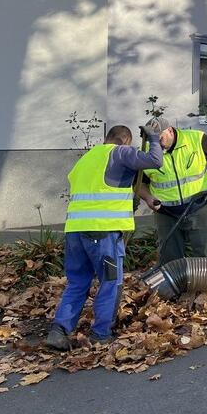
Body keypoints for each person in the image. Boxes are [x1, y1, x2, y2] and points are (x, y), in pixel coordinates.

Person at [45, 125, 163, 350]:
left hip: (75, 231)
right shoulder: (120, 152)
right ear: (125, 140)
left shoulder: (87, 158)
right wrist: (154, 138)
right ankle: (101, 334)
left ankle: (58, 331)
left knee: (77, 282)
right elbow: (155, 161)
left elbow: (102, 185)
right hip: (103, 232)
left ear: (106, 138)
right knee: (111, 282)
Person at [135, 117, 207, 265]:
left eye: (159, 138)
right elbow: (139, 182)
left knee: (205, 251)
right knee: (169, 256)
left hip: (198, 206)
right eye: (151, 140)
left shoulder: (195, 138)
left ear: (170, 130)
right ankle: (175, 286)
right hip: (165, 212)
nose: (155, 144)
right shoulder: (146, 152)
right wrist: (148, 198)